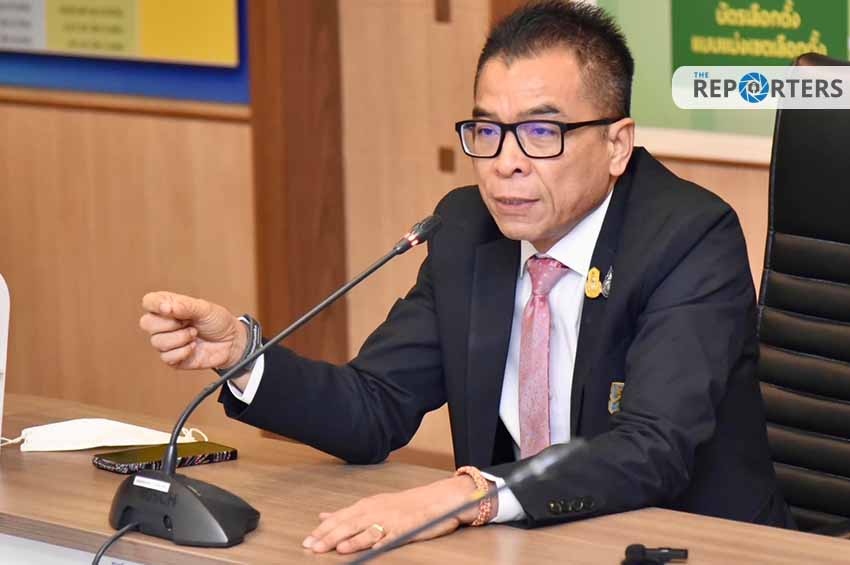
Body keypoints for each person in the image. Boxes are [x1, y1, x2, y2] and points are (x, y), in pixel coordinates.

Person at [139, 0, 793, 556]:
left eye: (541, 131)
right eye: (488, 130)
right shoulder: (466, 230)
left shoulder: (688, 238)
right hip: (529, 543)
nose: (505, 163)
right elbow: (373, 407)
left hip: (692, 547)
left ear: (617, 144)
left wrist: (469, 494)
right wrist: (243, 357)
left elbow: (652, 447)